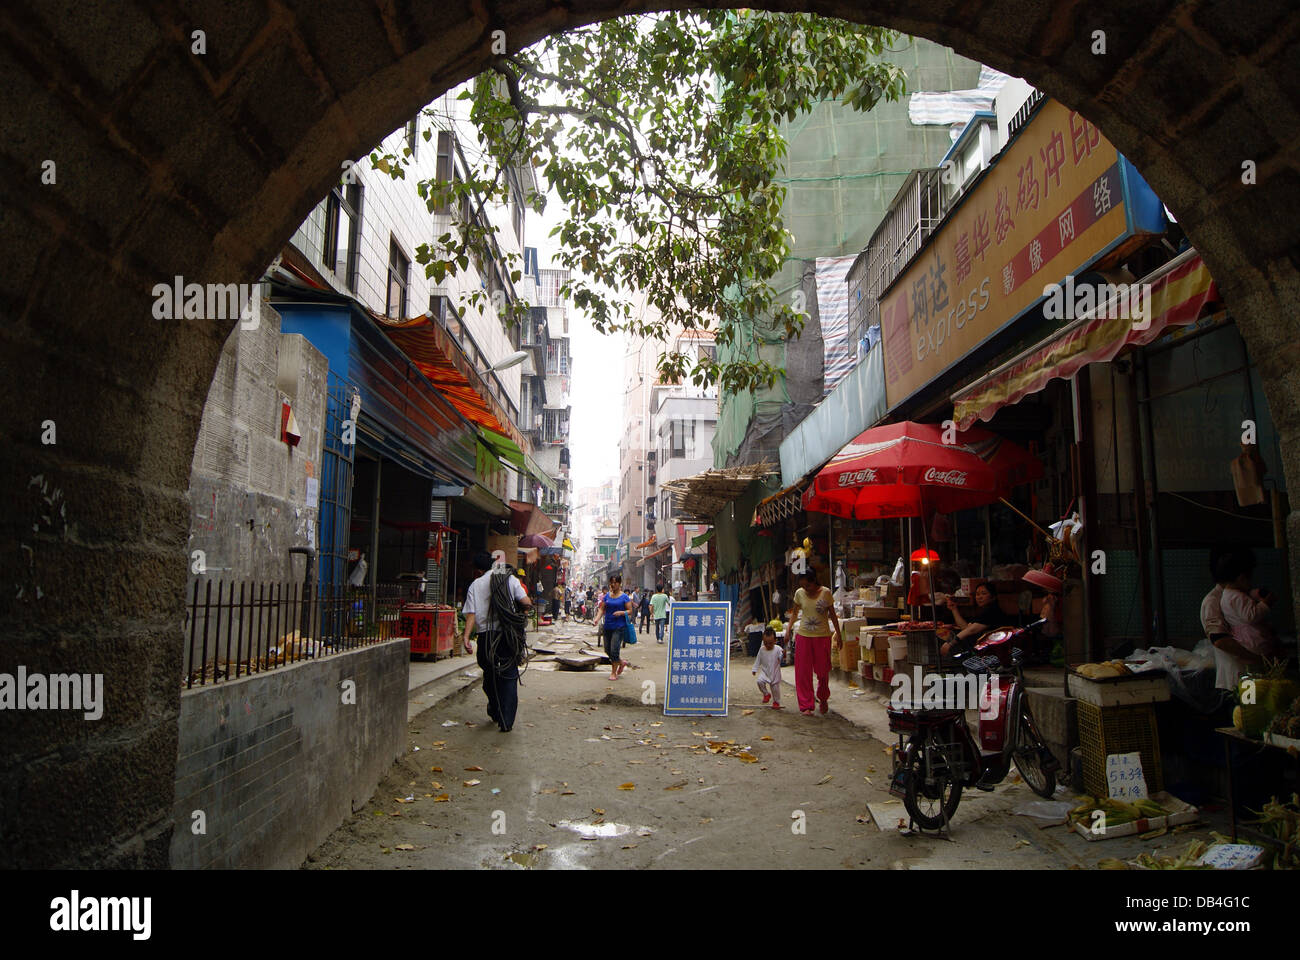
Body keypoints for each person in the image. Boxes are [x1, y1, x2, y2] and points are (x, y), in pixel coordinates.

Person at [461, 551, 532, 733]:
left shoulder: (475, 585)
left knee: (490, 674)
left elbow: (471, 613)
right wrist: (520, 618)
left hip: (486, 637)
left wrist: (466, 637)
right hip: (507, 634)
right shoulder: (509, 579)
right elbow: (526, 603)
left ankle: (495, 708)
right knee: (508, 675)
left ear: (477, 570)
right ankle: (506, 721)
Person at [1215, 548, 1281, 688]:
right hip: (1252, 639)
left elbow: (1248, 596)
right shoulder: (1237, 597)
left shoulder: (1229, 595)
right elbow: (1251, 615)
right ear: (1241, 578)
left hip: (1244, 641)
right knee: (1260, 676)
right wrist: (1265, 604)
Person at [786, 568, 841, 716]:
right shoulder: (799, 594)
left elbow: (833, 616)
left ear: (814, 581)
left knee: (823, 671)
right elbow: (795, 613)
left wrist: (839, 635)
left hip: (822, 637)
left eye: (808, 586)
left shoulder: (826, 593)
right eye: (803, 586)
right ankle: (806, 705)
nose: (806, 589)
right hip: (803, 636)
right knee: (803, 672)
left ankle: (823, 698)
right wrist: (788, 630)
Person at [940, 583, 1009, 655]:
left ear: (993, 597)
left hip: (995, 652)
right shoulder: (983, 611)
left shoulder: (993, 611)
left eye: (984, 593)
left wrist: (950, 643)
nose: (979, 597)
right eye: (977, 594)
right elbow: (965, 628)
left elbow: (971, 630)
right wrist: (954, 609)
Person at [596, 574, 635, 680]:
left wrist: (621, 612)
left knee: (614, 650)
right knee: (607, 650)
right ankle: (621, 662)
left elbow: (630, 611)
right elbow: (601, 609)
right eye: (611, 582)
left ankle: (613, 672)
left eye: (615, 582)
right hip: (607, 626)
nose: (613, 585)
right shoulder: (607, 596)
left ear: (619, 583)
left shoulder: (624, 597)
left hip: (619, 627)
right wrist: (597, 619)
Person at [752, 626, 784, 709]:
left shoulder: (778, 649)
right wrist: (754, 669)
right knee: (759, 681)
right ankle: (766, 694)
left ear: (775, 641)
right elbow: (758, 659)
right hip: (765, 672)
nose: (768, 645)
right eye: (766, 643)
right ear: (763, 641)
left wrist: (782, 655)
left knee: (775, 689)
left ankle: (776, 702)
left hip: (775, 673)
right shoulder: (762, 650)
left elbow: (781, 656)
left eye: (770, 643)